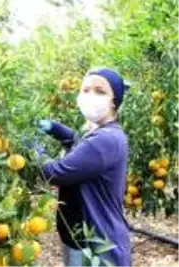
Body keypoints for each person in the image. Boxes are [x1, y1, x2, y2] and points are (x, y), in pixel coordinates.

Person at [36, 67, 131, 267]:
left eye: (100, 91)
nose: (90, 96)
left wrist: (35, 152)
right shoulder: (102, 132)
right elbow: (81, 146)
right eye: (85, 90)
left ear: (114, 101)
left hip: (98, 245)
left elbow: (55, 174)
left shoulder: (106, 139)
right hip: (80, 238)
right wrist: (57, 129)